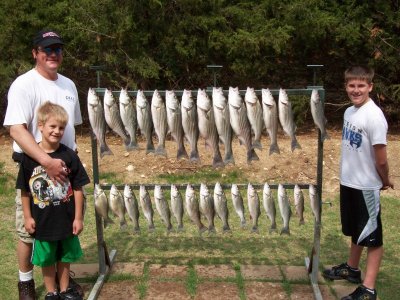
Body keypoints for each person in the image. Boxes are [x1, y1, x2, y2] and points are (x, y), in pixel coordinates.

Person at [3, 29, 84, 300]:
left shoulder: (69, 85)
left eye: (57, 49)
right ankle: (25, 282)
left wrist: (70, 159)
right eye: (47, 49)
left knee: (62, 229)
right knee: (30, 230)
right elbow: (16, 129)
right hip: (36, 170)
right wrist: (46, 161)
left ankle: (63, 282)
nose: (53, 54)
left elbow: (71, 129)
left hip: (65, 170)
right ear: (35, 53)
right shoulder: (24, 84)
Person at [322, 66, 394, 300]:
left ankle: (368, 289)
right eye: (351, 85)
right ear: (346, 87)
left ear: (370, 87)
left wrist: (385, 181)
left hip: (366, 186)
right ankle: (352, 269)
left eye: (361, 86)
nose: (356, 90)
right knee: (357, 229)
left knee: (373, 237)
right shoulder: (349, 113)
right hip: (349, 182)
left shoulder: (374, 117)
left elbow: (381, 159)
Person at [16, 102, 90, 300]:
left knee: (64, 257)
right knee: (47, 258)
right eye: (52, 127)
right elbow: (24, 190)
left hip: (65, 219)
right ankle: (51, 292)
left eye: (61, 128)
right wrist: (28, 216)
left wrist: (78, 218)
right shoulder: (29, 159)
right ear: (40, 126)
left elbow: (78, 188)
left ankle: (65, 290)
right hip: (42, 220)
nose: (57, 131)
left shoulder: (69, 156)